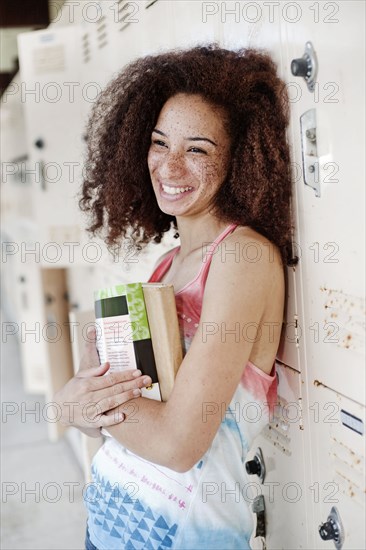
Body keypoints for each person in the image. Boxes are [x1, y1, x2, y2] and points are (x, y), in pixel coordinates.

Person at [55, 43, 292, 550]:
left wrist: (82, 401)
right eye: (160, 143)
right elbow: (107, 426)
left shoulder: (241, 258)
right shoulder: (167, 266)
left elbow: (177, 443)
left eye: (198, 149)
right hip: (106, 527)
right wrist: (87, 402)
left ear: (239, 160)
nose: (169, 166)